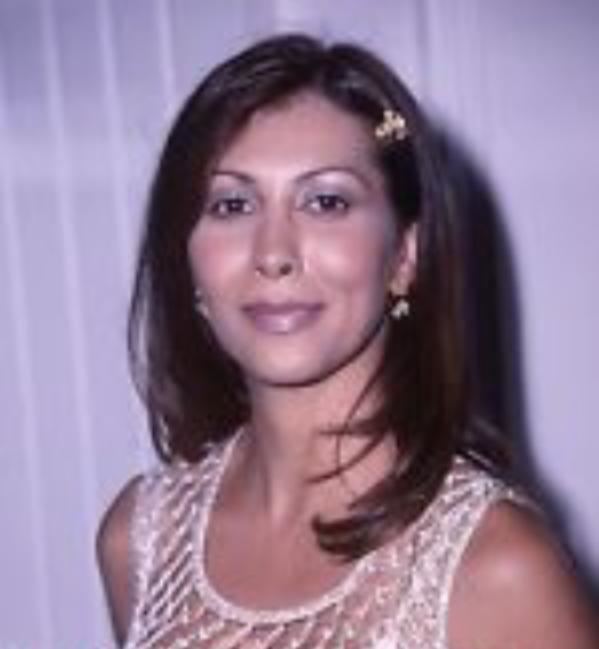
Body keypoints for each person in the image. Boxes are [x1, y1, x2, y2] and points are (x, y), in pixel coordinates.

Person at [97, 33, 598, 648]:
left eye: (326, 201)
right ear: (187, 256)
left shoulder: (498, 569)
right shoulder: (139, 542)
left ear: (405, 257)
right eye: (231, 205)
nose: (274, 253)